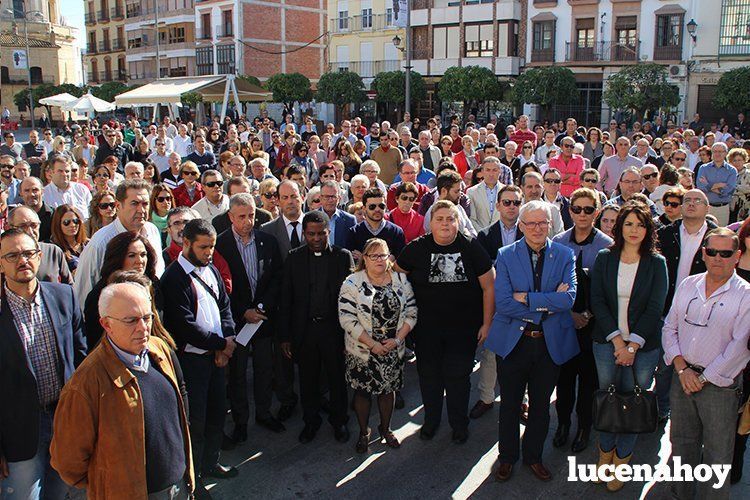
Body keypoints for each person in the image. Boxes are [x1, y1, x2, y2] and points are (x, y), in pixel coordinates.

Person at [50, 282, 193, 499]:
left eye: (147, 317)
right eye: (131, 320)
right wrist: (111, 484)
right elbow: (67, 461)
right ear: (106, 324)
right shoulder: (86, 382)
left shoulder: (158, 348)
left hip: (179, 485)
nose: (143, 328)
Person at [486, 200, 577, 482]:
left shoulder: (564, 254)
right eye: (531, 223)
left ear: (551, 225)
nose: (537, 229)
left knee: (540, 406)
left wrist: (526, 298)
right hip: (515, 343)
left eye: (543, 223)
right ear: (521, 226)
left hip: (549, 345)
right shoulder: (505, 254)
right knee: (510, 404)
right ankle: (508, 457)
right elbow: (503, 303)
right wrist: (548, 302)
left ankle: (534, 457)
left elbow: (569, 298)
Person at [396, 200, 495, 443]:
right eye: (439, 219)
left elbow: (489, 286)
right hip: (426, 330)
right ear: (430, 223)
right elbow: (397, 275)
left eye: (450, 219)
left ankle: (459, 424)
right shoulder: (416, 248)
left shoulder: (471, 247)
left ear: (458, 221)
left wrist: (486, 323)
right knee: (429, 377)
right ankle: (431, 422)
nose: (445, 224)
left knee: (458, 378)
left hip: (463, 329)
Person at [662, 227, 750, 500]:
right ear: (703, 253)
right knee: (681, 445)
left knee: (717, 454)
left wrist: (701, 378)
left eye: (725, 253)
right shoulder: (688, 284)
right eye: (712, 252)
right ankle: (681, 495)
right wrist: (681, 369)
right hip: (682, 379)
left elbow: (740, 347)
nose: (717, 258)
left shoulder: (746, 294)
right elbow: (669, 328)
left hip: (719, 388)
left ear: (736, 256)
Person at [0, 228, 86, 500]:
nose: (22, 261)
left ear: (39, 257)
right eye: (12, 255)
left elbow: (82, 358)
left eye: (28, 253)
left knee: (60, 494)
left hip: (64, 422)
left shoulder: (64, 296)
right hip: (17, 433)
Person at [588, 202, 668, 491]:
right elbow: (596, 300)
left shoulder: (656, 263)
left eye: (641, 224)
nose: (635, 230)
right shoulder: (604, 258)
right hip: (607, 343)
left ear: (649, 230)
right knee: (608, 398)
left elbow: (655, 308)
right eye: (629, 224)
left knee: (633, 402)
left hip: (643, 348)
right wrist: (618, 341)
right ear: (620, 226)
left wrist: (632, 346)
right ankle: (605, 454)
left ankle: (622, 460)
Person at [160, 219, 237, 498]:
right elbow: (185, 325)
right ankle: (193, 479)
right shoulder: (174, 278)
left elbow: (225, 308)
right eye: (203, 247)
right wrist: (220, 345)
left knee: (217, 413)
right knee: (197, 422)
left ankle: (210, 463)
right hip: (192, 363)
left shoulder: (212, 269)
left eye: (212, 247)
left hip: (217, 359)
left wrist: (226, 343)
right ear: (186, 243)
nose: (208, 252)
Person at [215, 193, 286, 443]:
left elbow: (277, 277)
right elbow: (220, 286)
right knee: (237, 374)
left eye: (252, 215)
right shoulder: (220, 245)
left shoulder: (268, 240)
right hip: (238, 321)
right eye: (242, 216)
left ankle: (264, 413)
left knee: (265, 369)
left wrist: (262, 307)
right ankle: (241, 421)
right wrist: (243, 310)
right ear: (230, 217)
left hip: (263, 319)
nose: (247, 221)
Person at [279, 211, 354, 443]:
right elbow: (286, 299)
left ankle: (339, 421)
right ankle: (311, 422)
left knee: (337, 380)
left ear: (328, 232)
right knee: (308, 381)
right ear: (304, 234)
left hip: (334, 330)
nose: (316, 238)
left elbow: (351, 298)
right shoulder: (294, 257)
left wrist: (349, 336)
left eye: (321, 233)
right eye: (311, 234)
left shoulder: (342, 256)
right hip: (305, 331)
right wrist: (285, 336)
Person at [339, 238, 417, 453]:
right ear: (365, 258)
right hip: (363, 351)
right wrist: (372, 344)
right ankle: (364, 432)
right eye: (374, 256)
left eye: (383, 255)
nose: (379, 260)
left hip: (393, 349)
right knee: (362, 394)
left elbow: (411, 313)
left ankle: (386, 428)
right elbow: (347, 319)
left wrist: (398, 340)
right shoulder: (352, 282)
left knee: (387, 391)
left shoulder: (401, 280)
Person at [550, 188, 613, 453]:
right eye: (577, 209)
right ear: (570, 210)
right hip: (564, 323)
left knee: (588, 382)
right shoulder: (558, 241)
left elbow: (609, 291)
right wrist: (569, 315)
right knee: (564, 382)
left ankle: (584, 427)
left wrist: (587, 315)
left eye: (589, 209)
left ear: (596, 212)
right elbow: (550, 284)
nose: (582, 214)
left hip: (593, 325)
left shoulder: (608, 246)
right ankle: (563, 424)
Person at [470, 185, 524, 419]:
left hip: (524, 303)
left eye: (516, 203)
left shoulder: (530, 231)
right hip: (497, 303)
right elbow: (482, 272)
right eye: (507, 202)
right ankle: (486, 398)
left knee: (522, 354)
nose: (512, 207)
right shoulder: (484, 236)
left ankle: (522, 400)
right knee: (490, 353)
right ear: (499, 205)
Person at [74, 179, 165, 311]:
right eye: (134, 203)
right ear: (118, 206)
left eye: (145, 204)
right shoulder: (100, 242)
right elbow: (84, 289)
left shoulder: (152, 231)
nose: (141, 209)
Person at [83, 231, 162, 350]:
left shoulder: (154, 284)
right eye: (131, 255)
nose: (140, 260)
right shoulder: (100, 294)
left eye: (143, 254)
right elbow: (94, 340)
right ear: (118, 258)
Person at [7, 206, 73, 285]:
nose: (30, 231)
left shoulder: (53, 252)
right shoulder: (4, 255)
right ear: (9, 228)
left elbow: (69, 287)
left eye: (34, 225)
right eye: (22, 226)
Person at [345, 188, 406, 262]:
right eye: (372, 207)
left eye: (381, 206)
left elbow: (400, 261)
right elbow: (351, 262)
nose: (377, 209)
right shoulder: (354, 232)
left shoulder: (396, 232)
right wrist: (387, 259)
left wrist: (363, 259)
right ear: (364, 208)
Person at [260, 180, 305, 260]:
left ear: (302, 197)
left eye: (293, 196)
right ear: (278, 201)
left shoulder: (315, 224)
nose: (290, 201)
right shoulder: (268, 230)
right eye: (285, 198)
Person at [696, 142, 737, 226]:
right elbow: (700, 186)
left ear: (726, 153)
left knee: (721, 233)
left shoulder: (732, 170)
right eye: (715, 151)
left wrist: (708, 185)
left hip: (723, 208)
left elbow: (729, 190)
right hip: (706, 207)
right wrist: (719, 186)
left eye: (720, 151)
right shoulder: (703, 168)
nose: (717, 154)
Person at [466, 156, 509, 232]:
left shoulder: (507, 191)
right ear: (482, 171)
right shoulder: (471, 192)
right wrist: (483, 235)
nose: (491, 174)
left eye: (494, 170)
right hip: (480, 237)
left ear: (500, 171)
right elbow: (472, 218)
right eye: (488, 170)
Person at [50, 204, 88, 275]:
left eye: (75, 221)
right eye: (66, 222)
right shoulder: (54, 249)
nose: (72, 225)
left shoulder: (88, 243)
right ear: (58, 224)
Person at [319, 180, 357, 248]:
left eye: (333, 197)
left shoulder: (349, 220)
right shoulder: (310, 218)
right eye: (327, 197)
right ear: (320, 198)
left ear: (339, 199)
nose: (330, 200)